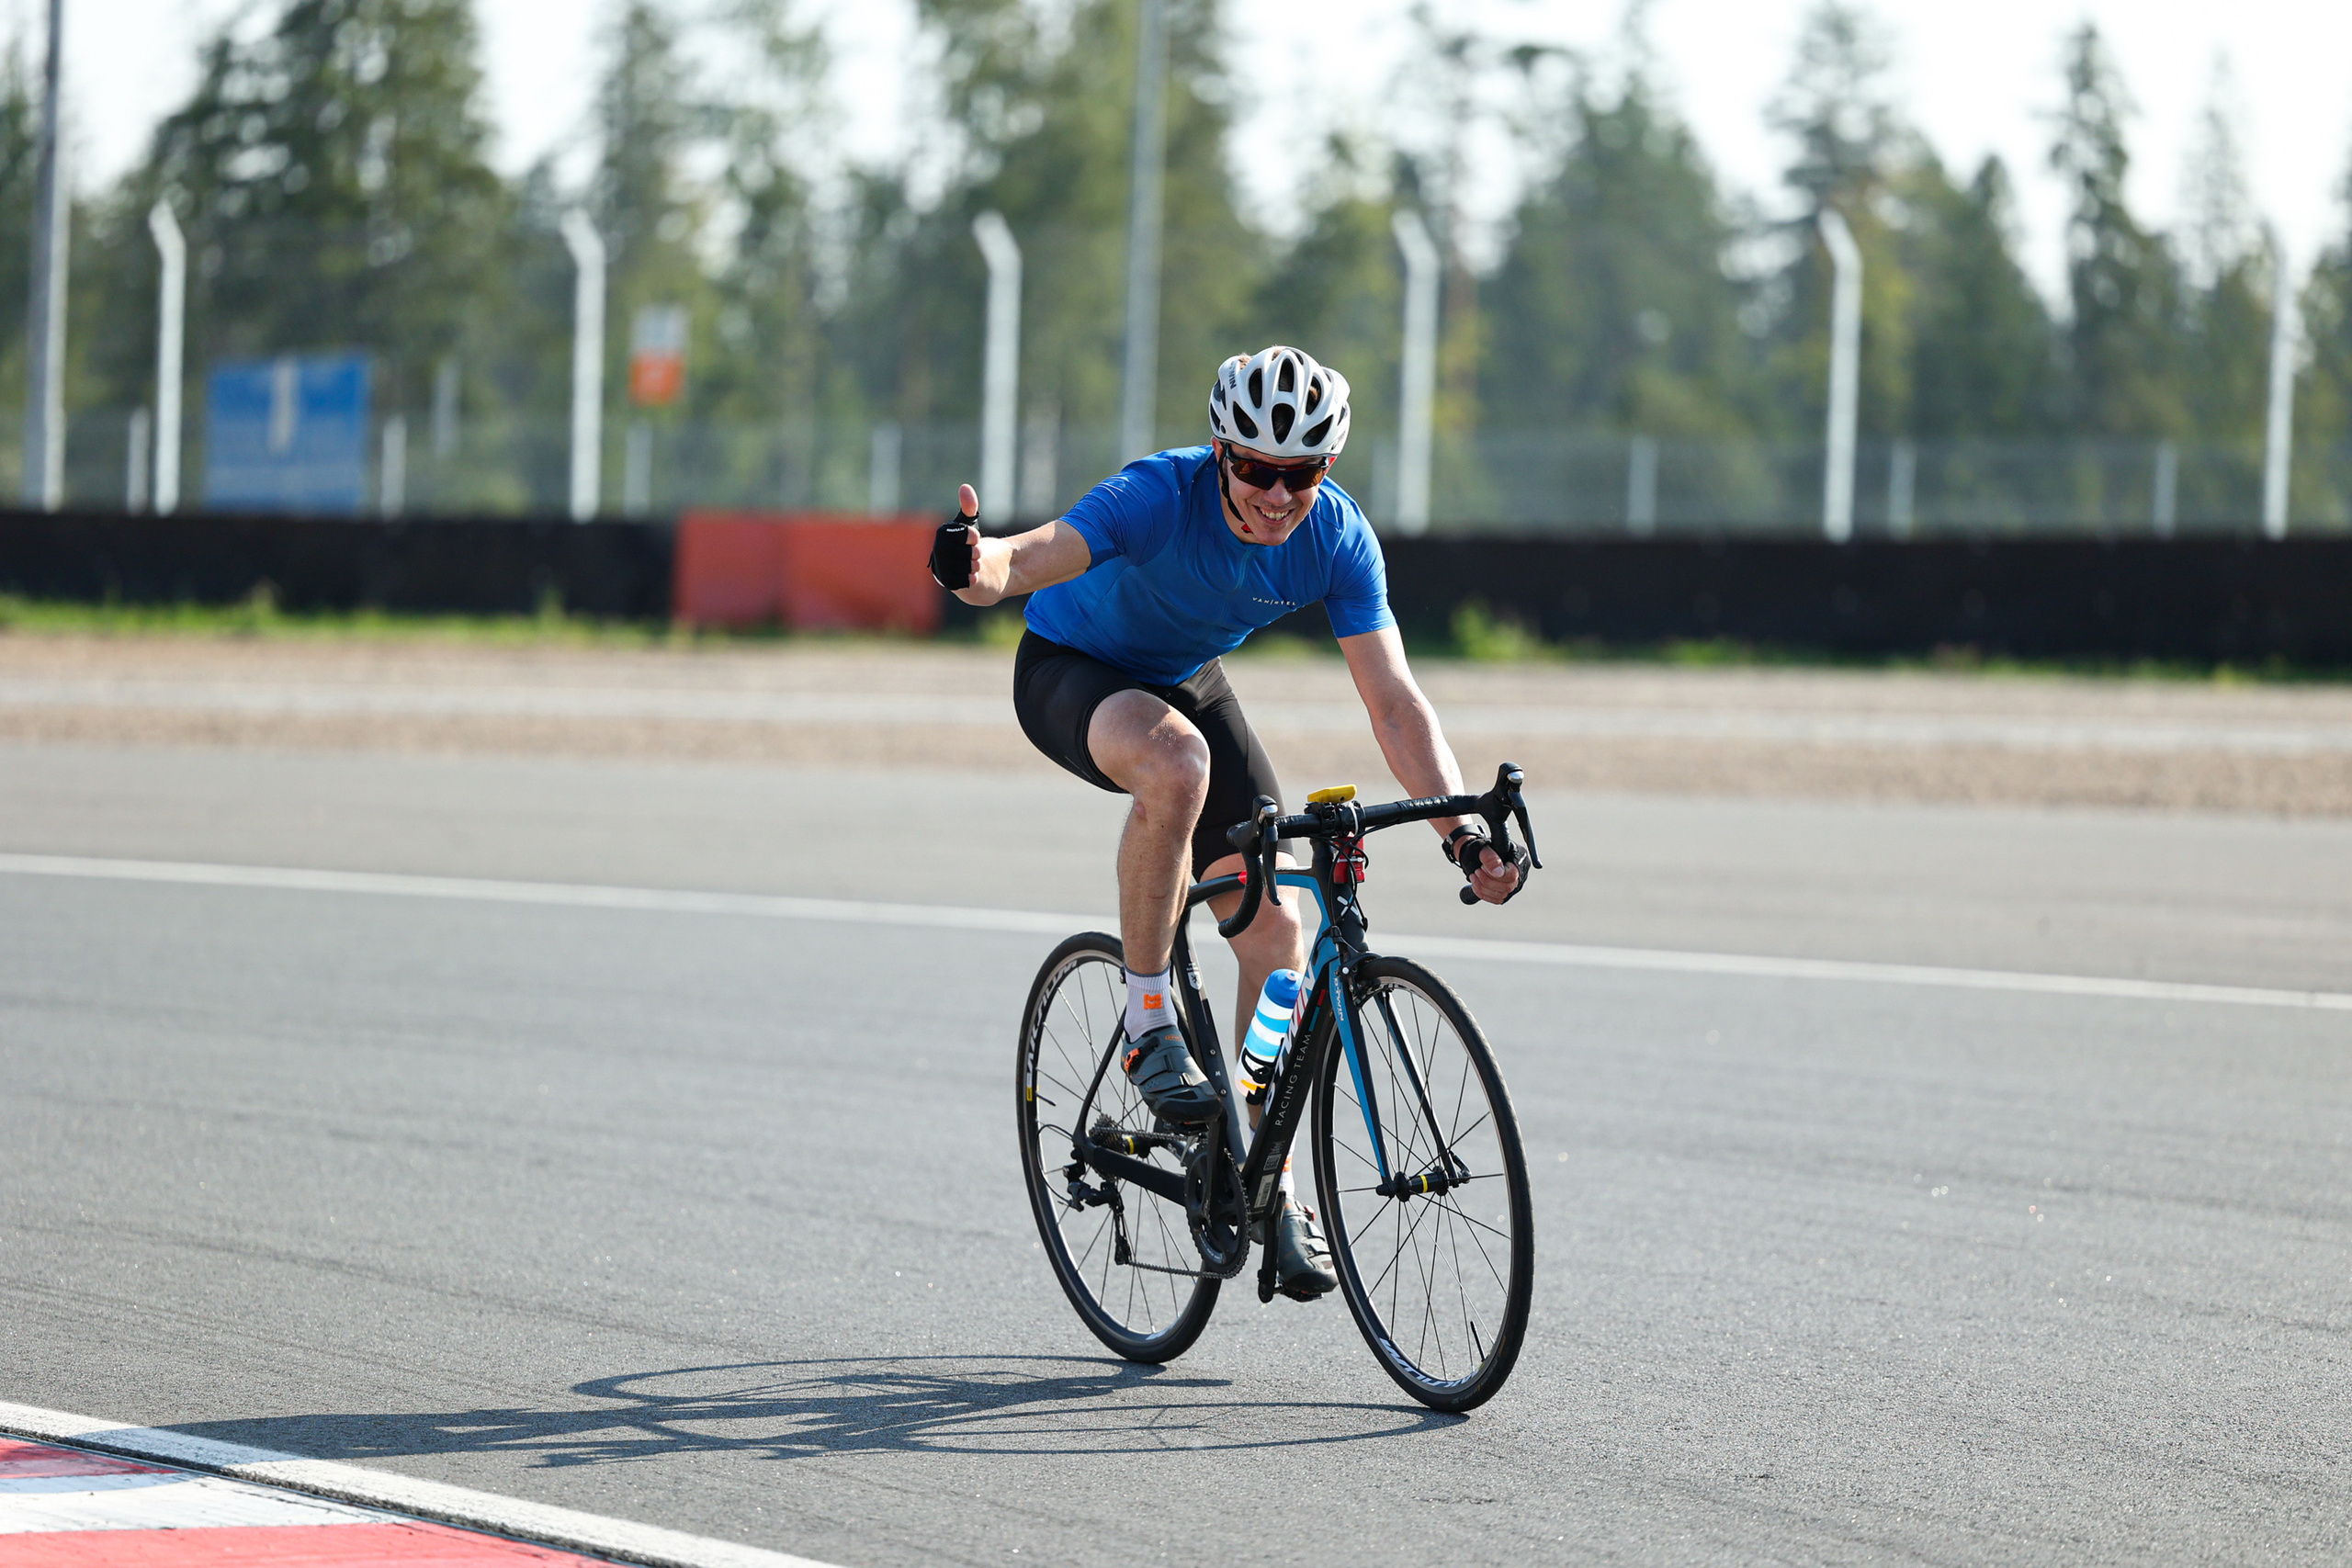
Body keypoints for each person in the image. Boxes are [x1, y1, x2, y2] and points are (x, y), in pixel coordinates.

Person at [933, 344, 1524, 1301]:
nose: (1278, 495)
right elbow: (1027, 558)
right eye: (1255, 467)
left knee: (1279, 937)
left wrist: (1461, 833)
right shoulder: (1157, 497)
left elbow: (1395, 705)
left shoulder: (1335, 536)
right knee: (1177, 765)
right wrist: (974, 563)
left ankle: (1265, 1172)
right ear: (1220, 452)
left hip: (1185, 680)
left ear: (1327, 468)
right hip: (1071, 667)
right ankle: (1147, 1018)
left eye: (1302, 472)